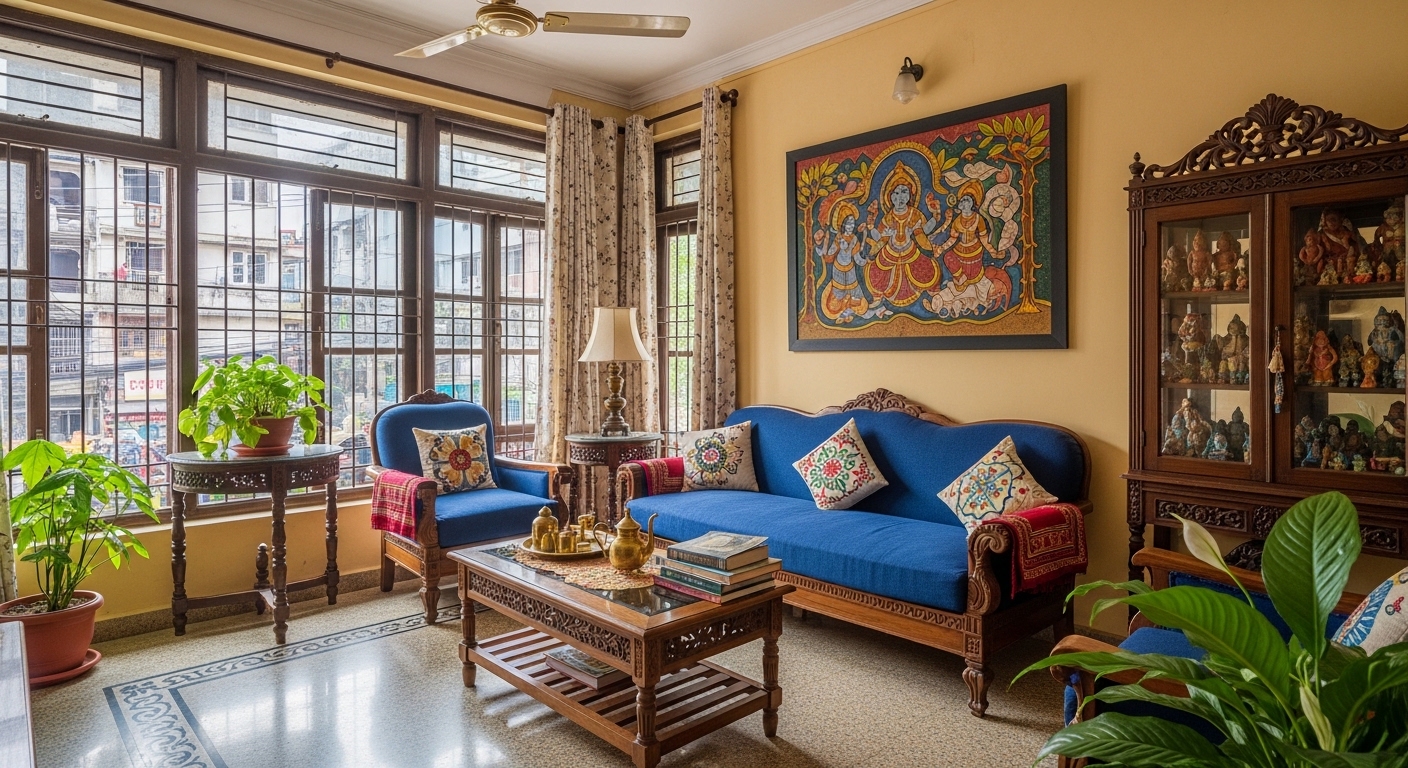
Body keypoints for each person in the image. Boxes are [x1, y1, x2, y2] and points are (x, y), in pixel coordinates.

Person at [863, 163, 941, 313]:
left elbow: (925, 230)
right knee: (874, 267)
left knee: (926, 265)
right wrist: (872, 227)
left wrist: (935, 217)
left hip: (911, 250)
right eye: (896, 193)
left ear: (910, 195)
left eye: (904, 192)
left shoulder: (915, 213)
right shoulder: (888, 217)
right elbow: (879, 236)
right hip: (890, 251)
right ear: (890, 197)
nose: (900, 197)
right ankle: (878, 297)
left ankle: (932, 294)